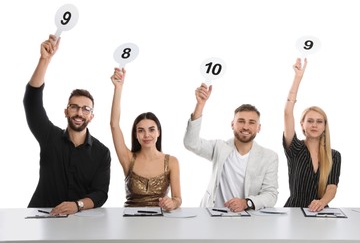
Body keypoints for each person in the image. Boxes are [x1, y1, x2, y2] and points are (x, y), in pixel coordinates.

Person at [23, 35, 111, 215]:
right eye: (74, 107)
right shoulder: (49, 137)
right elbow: (31, 102)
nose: (79, 113)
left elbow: (100, 193)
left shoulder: (102, 153)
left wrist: (76, 205)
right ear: (66, 111)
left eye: (85, 109)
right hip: (41, 217)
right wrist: (44, 60)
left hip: (79, 220)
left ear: (91, 116)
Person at [183, 83, 278, 212]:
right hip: (212, 216)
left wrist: (246, 203)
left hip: (246, 219)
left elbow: (271, 195)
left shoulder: (269, 157)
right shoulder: (219, 147)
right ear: (232, 124)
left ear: (258, 128)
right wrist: (200, 105)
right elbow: (191, 143)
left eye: (251, 122)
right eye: (241, 121)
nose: (245, 127)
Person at [110, 68, 181, 211]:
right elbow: (114, 125)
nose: (146, 135)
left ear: (159, 132)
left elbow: (177, 198)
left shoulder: (172, 161)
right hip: (131, 222)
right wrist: (118, 88)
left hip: (160, 222)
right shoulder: (128, 158)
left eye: (151, 129)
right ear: (136, 134)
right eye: (141, 130)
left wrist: (172, 203)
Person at [283, 58, 341, 212]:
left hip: (320, 212)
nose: (314, 125)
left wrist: (321, 202)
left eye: (319, 121)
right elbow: (287, 113)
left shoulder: (334, 155)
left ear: (324, 126)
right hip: (293, 212)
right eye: (310, 121)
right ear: (302, 124)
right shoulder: (294, 148)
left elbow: (332, 187)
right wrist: (297, 78)